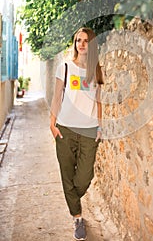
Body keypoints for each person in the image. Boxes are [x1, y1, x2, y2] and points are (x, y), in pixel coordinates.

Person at [50, 27, 104, 241]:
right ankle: (78, 218)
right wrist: (52, 124)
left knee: (84, 177)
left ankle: (73, 197)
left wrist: (100, 126)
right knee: (66, 175)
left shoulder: (97, 70)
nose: (81, 44)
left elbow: (99, 101)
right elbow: (56, 97)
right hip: (65, 129)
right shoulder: (65, 66)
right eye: (77, 40)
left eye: (85, 41)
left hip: (89, 130)